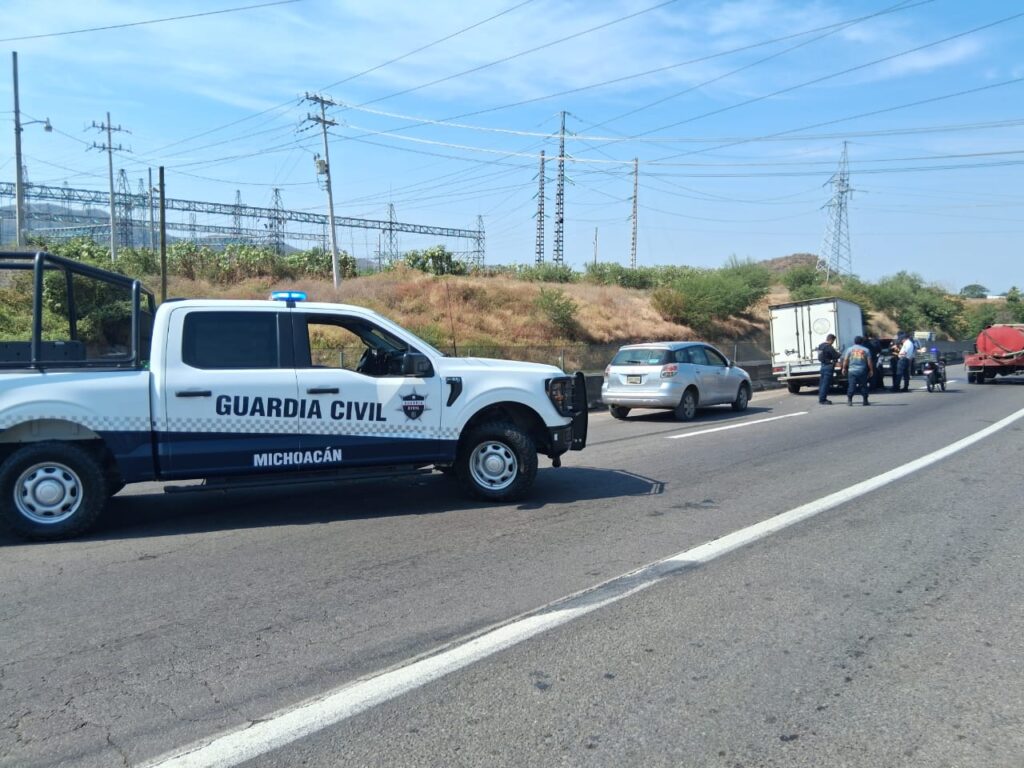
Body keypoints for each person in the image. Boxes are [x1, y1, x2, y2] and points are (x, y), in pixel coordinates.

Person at [842, 335, 875, 406]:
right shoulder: (866, 350)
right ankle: (865, 401)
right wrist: (871, 370)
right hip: (862, 370)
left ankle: (850, 400)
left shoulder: (849, 349)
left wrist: (844, 368)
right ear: (862, 342)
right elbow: (869, 361)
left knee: (851, 385)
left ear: (854, 342)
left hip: (852, 371)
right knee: (863, 385)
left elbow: (846, 360)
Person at [816, 333, 840, 405]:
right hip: (828, 367)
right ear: (831, 339)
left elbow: (819, 357)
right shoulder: (829, 347)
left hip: (823, 366)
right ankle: (823, 399)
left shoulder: (820, 346)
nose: (833, 342)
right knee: (825, 384)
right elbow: (836, 355)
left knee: (822, 383)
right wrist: (839, 354)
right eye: (833, 341)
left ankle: (821, 398)